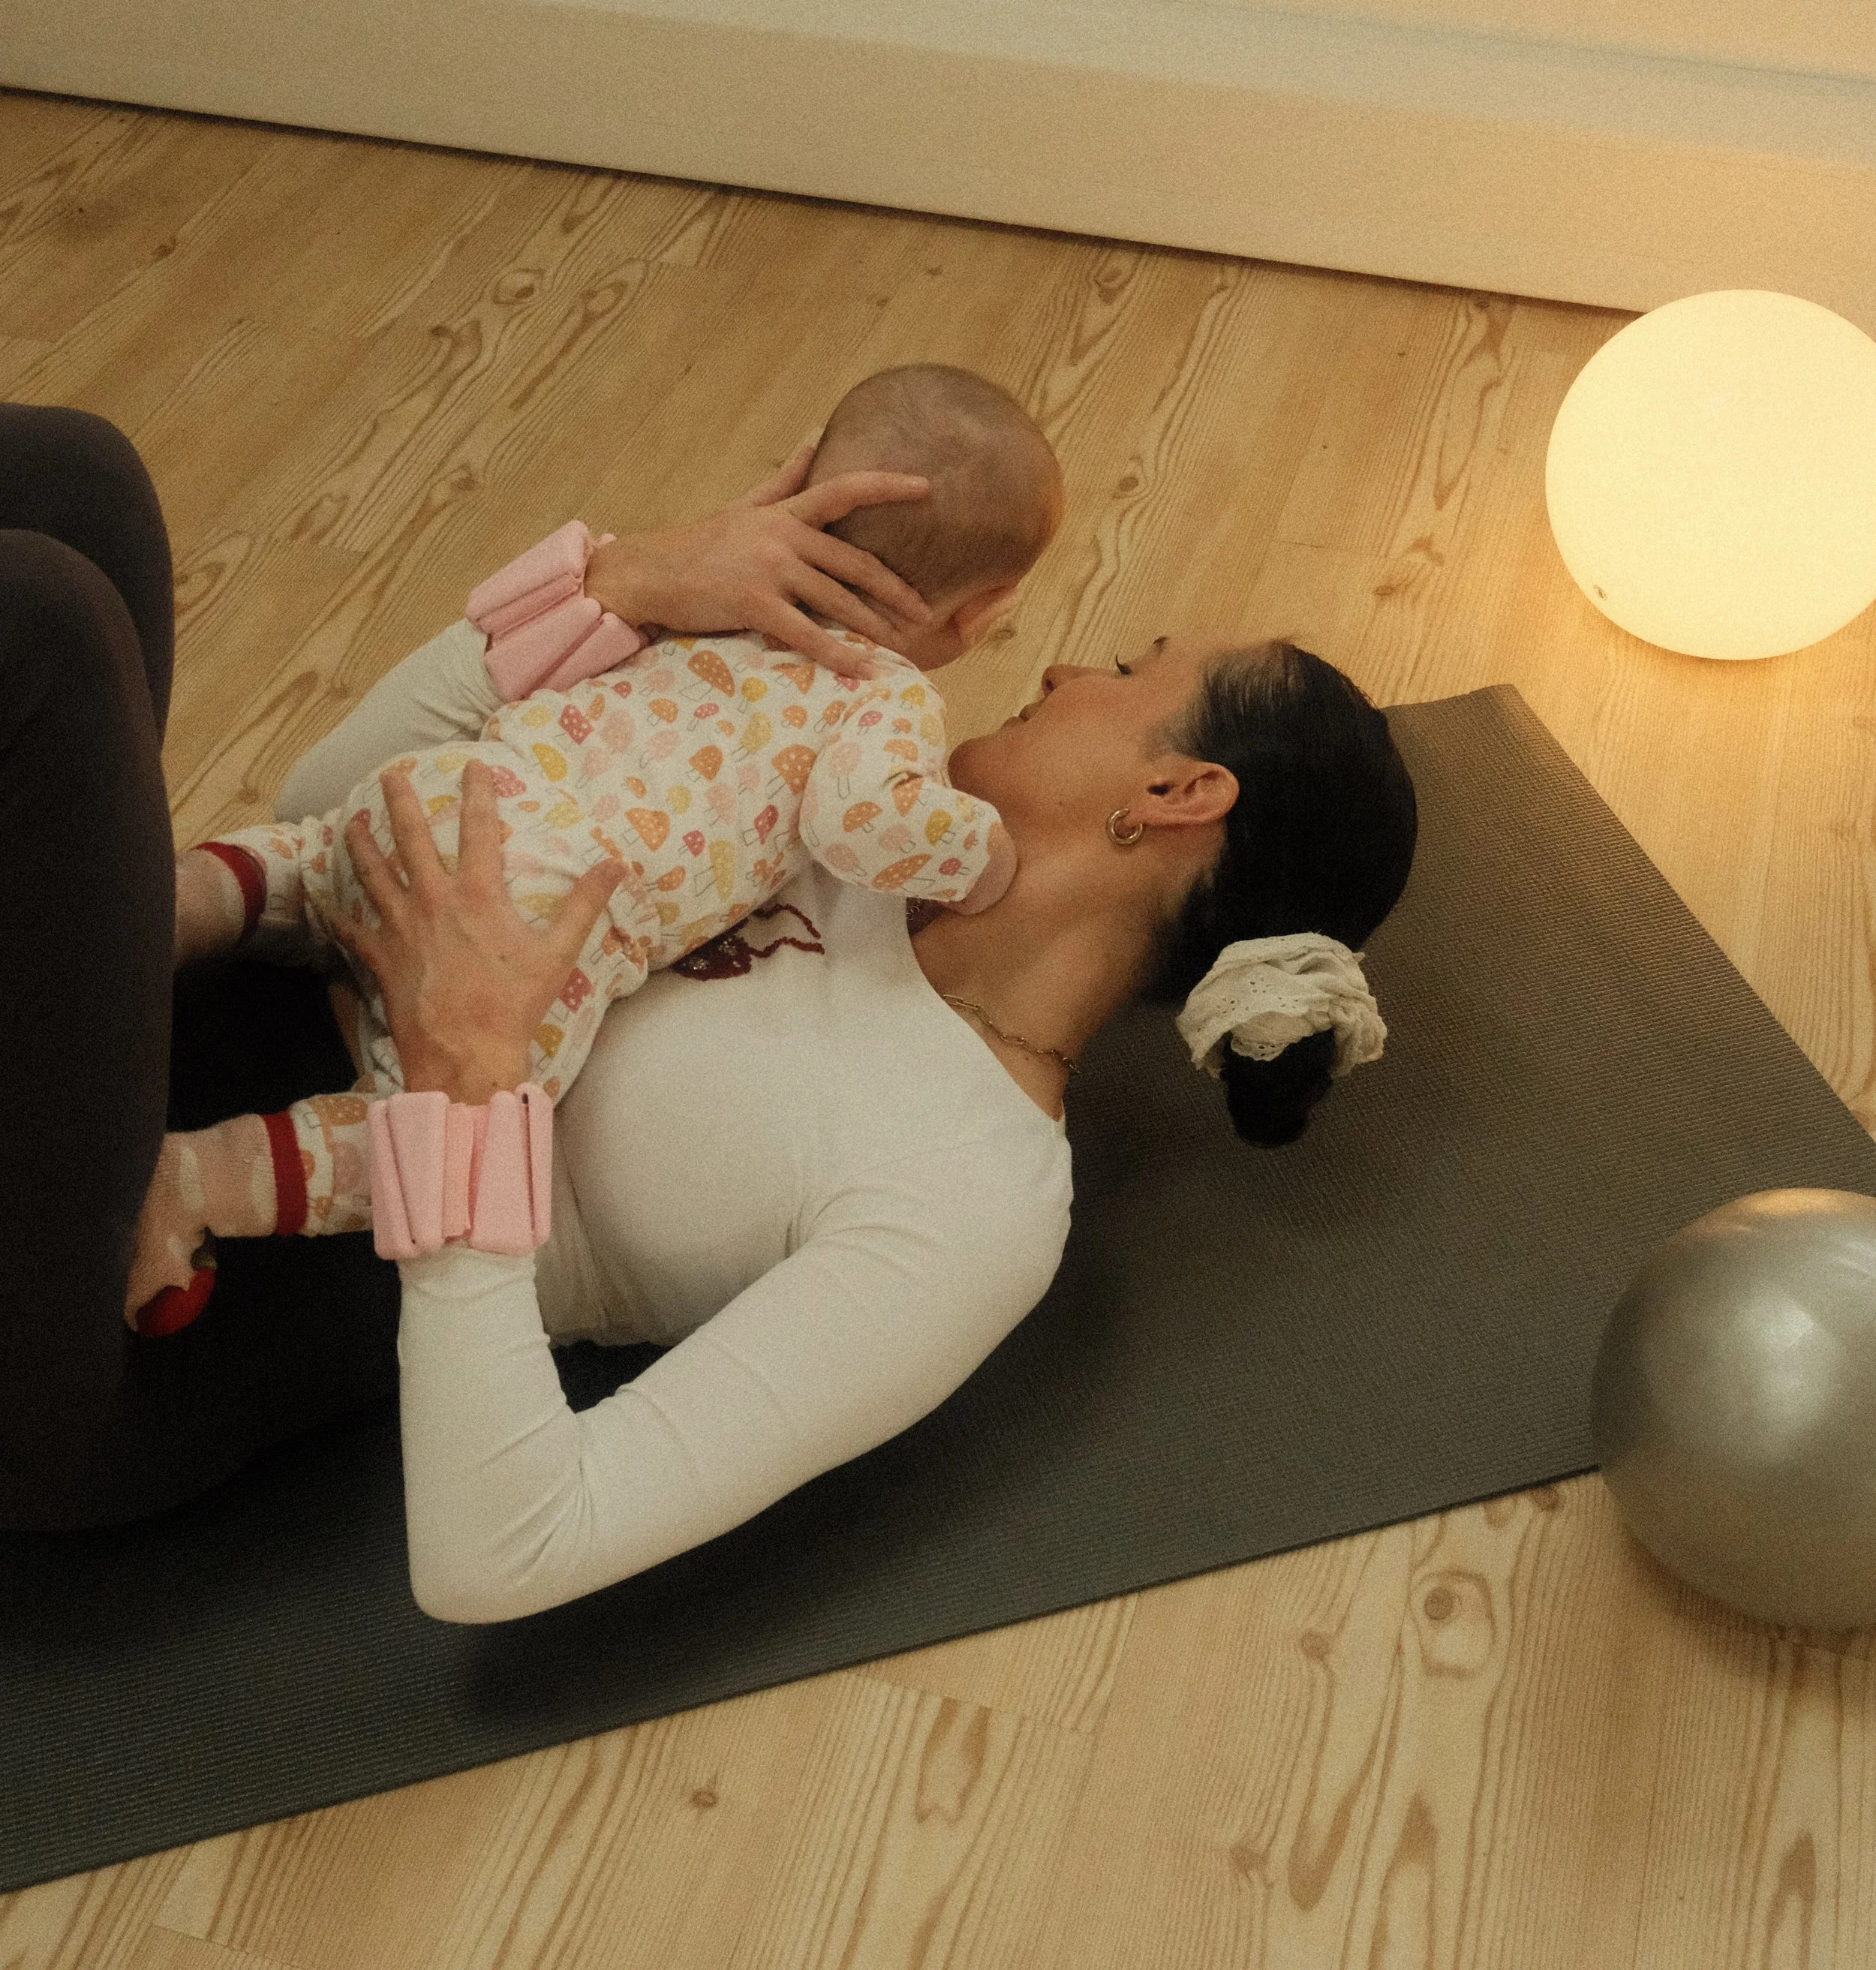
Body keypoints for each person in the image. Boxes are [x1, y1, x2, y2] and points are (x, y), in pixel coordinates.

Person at [0, 402, 1418, 1635]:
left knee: (50, 631)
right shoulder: (844, 803)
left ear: (1181, 795)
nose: (1062, 673)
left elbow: (511, 1543)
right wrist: (624, 584)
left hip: (140, 1305)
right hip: (137, 1005)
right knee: (78, 486)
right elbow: (331, 807)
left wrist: (470, 1087)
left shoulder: (972, 1196)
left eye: (1129, 664)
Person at [132, 367, 1064, 1329]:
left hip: (450, 788)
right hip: (537, 911)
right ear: (984, 611)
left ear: (794, 485)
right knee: (446, 1144)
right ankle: (197, 1180)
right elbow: (860, 820)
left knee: (307, 857)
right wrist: (984, 856)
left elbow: (355, 764)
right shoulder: (882, 688)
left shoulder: (706, 593)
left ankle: (170, 904)